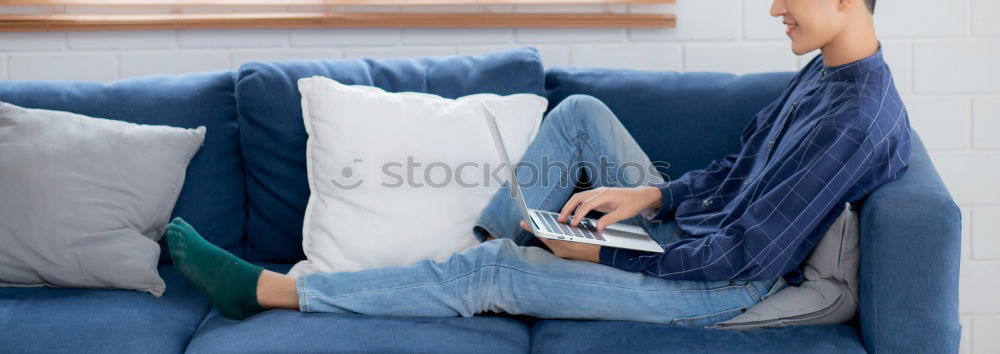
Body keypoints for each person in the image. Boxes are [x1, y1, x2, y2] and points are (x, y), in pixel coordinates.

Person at [166, 0, 910, 325]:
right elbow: (738, 170)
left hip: (716, 284)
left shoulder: (854, 118)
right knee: (580, 115)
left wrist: (603, 260)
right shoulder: (829, 71)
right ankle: (476, 254)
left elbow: (744, 255)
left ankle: (272, 294)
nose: (776, 7)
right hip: (697, 235)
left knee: (499, 278)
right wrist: (647, 199)